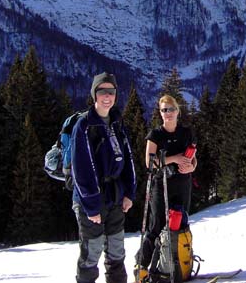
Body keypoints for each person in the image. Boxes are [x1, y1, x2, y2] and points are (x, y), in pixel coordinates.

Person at [71, 72, 136, 283]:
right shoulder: (84, 125)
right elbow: (81, 169)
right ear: (94, 94)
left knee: (117, 253)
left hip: (115, 197)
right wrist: (91, 205)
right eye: (102, 91)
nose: (107, 96)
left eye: (111, 91)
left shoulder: (117, 122)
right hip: (92, 200)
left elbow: (127, 159)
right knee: (91, 255)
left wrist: (129, 193)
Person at [136, 94, 197, 279]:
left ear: (178, 111)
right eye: (164, 110)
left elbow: (194, 159)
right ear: (160, 113)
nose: (167, 113)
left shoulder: (187, 133)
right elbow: (150, 162)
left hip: (182, 183)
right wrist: (175, 159)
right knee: (156, 227)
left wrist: (191, 167)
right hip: (160, 185)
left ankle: (174, 266)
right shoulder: (155, 135)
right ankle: (142, 267)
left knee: (180, 222)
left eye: (171, 109)